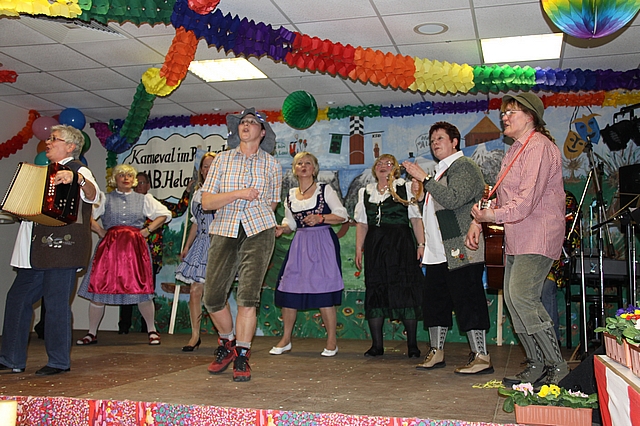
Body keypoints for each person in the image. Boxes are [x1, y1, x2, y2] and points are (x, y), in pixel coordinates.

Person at [465, 93, 568, 386]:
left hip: (537, 235)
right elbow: (501, 194)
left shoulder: (538, 147)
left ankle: (557, 366)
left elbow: (525, 203)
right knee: (513, 299)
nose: (504, 117)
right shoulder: (514, 150)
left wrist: (490, 216)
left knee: (522, 296)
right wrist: (478, 220)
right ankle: (536, 363)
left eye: (512, 112)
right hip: (517, 236)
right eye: (504, 112)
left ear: (530, 117)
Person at [0, 124, 99, 376]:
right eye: (49, 138)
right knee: (17, 299)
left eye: (54, 139)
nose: (48, 142)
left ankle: (58, 361)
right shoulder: (43, 172)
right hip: (35, 252)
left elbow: (93, 194)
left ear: (71, 146)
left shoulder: (79, 169)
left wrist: (78, 179)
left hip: (62, 249)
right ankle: (11, 358)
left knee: (55, 304)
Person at [402, 122, 492, 375]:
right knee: (435, 303)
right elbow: (437, 209)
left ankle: (482, 356)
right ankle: (436, 351)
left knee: (468, 300)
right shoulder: (440, 172)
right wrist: (422, 194)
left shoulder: (464, 166)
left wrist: (425, 179)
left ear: (454, 142)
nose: (435, 143)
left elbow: (454, 199)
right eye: (432, 140)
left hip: (460, 246)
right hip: (437, 251)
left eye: (440, 138)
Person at [201, 107, 282, 382]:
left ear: (262, 132)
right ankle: (228, 342)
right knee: (212, 298)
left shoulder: (272, 164)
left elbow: (272, 203)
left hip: (259, 230)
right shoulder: (222, 160)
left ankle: (243, 355)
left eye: (252, 122)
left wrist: (262, 218)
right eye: (242, 122)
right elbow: (207, 202)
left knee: (248, 296)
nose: (245, 125)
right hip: (224, 228)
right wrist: (239, 194)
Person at [76, 164, 172, 346]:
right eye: (122, 175)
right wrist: (100, 231)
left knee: (142, 290)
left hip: (135, 250)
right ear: (115, 179)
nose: (126, 178)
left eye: (129, 175)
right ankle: (91, 333)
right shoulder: (105, 198)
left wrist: (147, 230)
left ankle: (152, 330)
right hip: (109, 250)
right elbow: (86, 214)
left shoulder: (144, 199)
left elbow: (165, 215)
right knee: (99, 289)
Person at [270, 152, 349, 357]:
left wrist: (321, 217)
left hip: (322, 242)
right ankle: (286, 339)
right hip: (300, 244)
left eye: (308, 163)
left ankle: (331, 341)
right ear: (294, 169)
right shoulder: (290, 195)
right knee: (289, 288)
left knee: (324, 290)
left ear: (314, 169)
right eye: (299, 163)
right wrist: (283, 229)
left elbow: (342, 214)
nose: (303, 166)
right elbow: (291, 223)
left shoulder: (324, 190)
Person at [354, 154, 424, 358]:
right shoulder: (365, 192)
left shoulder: (405, 188)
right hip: (375, 246)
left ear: (396, 170)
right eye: (380, 163)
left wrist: (421, 244)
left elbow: (415, 219)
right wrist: (358, 248)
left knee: (405, 289)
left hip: (400, 244)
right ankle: (377, 345)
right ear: (374, 169)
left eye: (389, 163)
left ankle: (412, 345)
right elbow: (362, 224)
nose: (383, 166)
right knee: (376, 290)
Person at [116, 171, 192, 335]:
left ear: (149, 186)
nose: (139, 186)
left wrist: (187, 191)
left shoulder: (156, 204)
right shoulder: (126, 204)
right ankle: (124, 326)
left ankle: (147, 328)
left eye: (142, 183)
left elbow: (178, 210)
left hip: (151, 255)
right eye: (137, 183)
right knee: (126, 287)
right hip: (128, 253)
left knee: (147, 290)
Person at [175, 152, 217, 351]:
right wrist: (187, 246)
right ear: (201, 170)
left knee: (216, 293)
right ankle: (195, 335)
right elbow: (195, 223)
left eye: (211, 166)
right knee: (194, 291)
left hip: (217, 244)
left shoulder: (223, 190)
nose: (208, 170)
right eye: (205, 166)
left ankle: (226, 336)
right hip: (200, 245)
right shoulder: (198, 193)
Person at [542, 190, 579, 340]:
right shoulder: (532, 194)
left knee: (546, 288)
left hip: (558, 256)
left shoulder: (566, 198)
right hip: (534, 255)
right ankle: (537, 343)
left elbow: (571, 235)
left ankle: (551, 341)